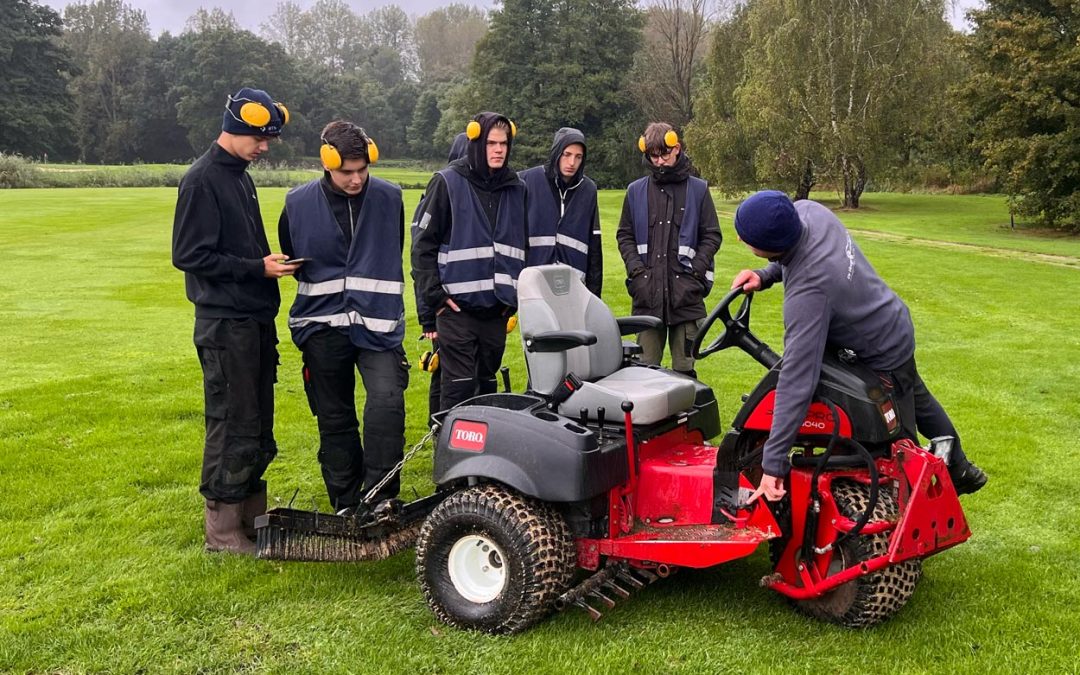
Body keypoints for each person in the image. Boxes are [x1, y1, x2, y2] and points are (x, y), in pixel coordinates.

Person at [730, 190, 989, 502]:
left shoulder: (810, 291)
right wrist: (764, 275)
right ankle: (960, 468)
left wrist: (772, 463)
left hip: (880, 349)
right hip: (892, 320)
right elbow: (793, 253)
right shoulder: (810, 212)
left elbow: (798, 377)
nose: (741, 242)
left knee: (898, 444)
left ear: (768, 246)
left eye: (745, 239)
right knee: (916, 395)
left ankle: (910, 513)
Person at [172, 87, 292, 555]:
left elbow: (238, 247)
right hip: (225, 326)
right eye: (259, 139)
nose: (264, 148)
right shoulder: (201, 180)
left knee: (258, 421)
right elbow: (188, 254)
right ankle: (221, 532)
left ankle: (249, 518)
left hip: (253, 319)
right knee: (231, 420)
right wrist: (255, 268)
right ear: (236, 127)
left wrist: (266, 262)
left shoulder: (241, 176)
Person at [277, 120, 408, 515]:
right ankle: (346, 503)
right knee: (335, 418)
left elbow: (393, 247)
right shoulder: (297, 203)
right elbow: (292, 251)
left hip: (378, 325)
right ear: (327, 164)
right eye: (346, 172)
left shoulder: (389, 197)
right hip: (320, 326)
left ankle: (381, 497)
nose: (356, 179)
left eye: (361, 170)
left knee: (387, 404)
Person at [411, 112, 527, 411]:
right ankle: (447, 449)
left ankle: (482, 448)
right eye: (491, 143)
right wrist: (435, 298)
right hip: (456, 309)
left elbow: (521, 244)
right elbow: (423, 246)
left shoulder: (517, 188)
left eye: (503, 143)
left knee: (486, 384)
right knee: (458, 387)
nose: (499, 149)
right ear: (476, 142)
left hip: (497, 309)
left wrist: (513, 297)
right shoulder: (447, 182)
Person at [616, 122, 721, 377]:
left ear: (678, 148)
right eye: (654, 155)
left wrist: (694, 274)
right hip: (646, 297)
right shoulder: (635, 191)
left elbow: (712, 235)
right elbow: (625, 235)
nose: (660, 161)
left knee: (684, 373)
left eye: (665, 154)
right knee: (642, 372)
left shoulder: (698, 190)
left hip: (686, 299)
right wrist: (637, 272)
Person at [412, 132, 469, 421]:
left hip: (463, 306)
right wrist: (427, 317)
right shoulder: (437, 195)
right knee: (442, 370)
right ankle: (438, 427)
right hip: (441, 306)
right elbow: (420, 262)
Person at [519, 127, 603, 296]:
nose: (572, 163)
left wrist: (594, 294)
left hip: (574, 286)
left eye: (578, 157)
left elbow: (594, 247)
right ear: (556, 153)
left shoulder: (588, 190)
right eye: (567, 154)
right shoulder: (526, 181)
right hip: (534, 284)